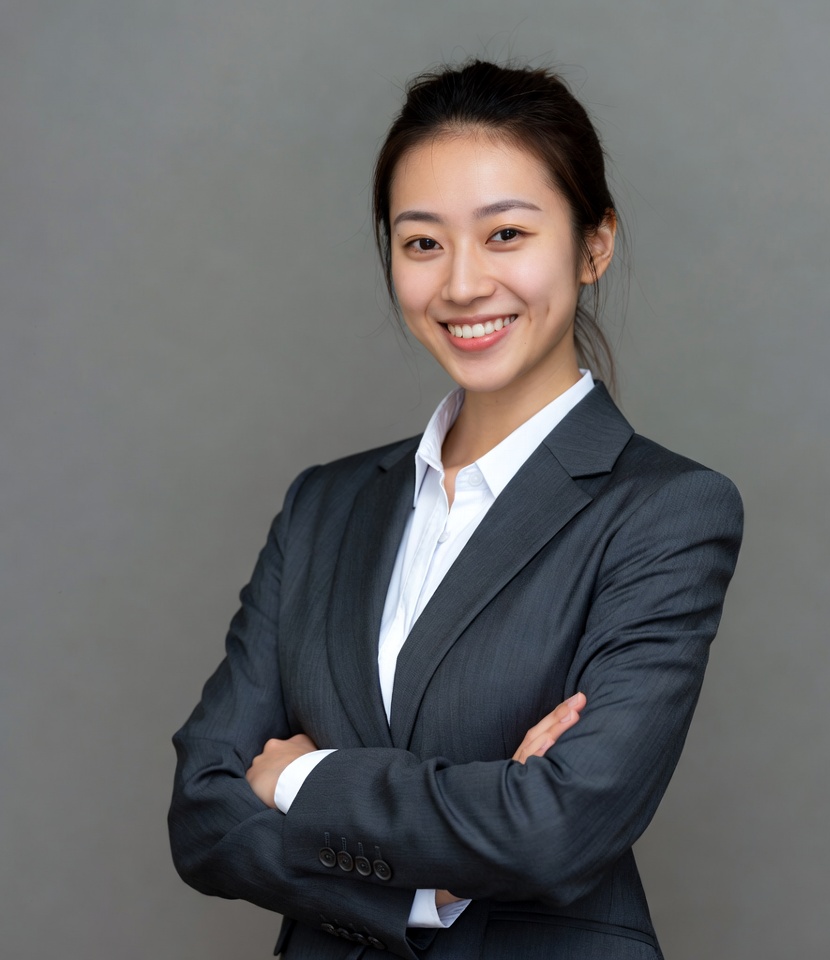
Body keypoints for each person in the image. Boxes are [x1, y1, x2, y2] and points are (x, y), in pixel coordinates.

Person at [169, 59, 743, 960]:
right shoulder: (324, 505)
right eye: (423, 243)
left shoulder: (667, 512)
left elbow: (555, 831)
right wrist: (427, 883)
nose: (463, 285)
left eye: (507, 233)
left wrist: (302, 777)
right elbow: (203, 811)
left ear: (594, 245)